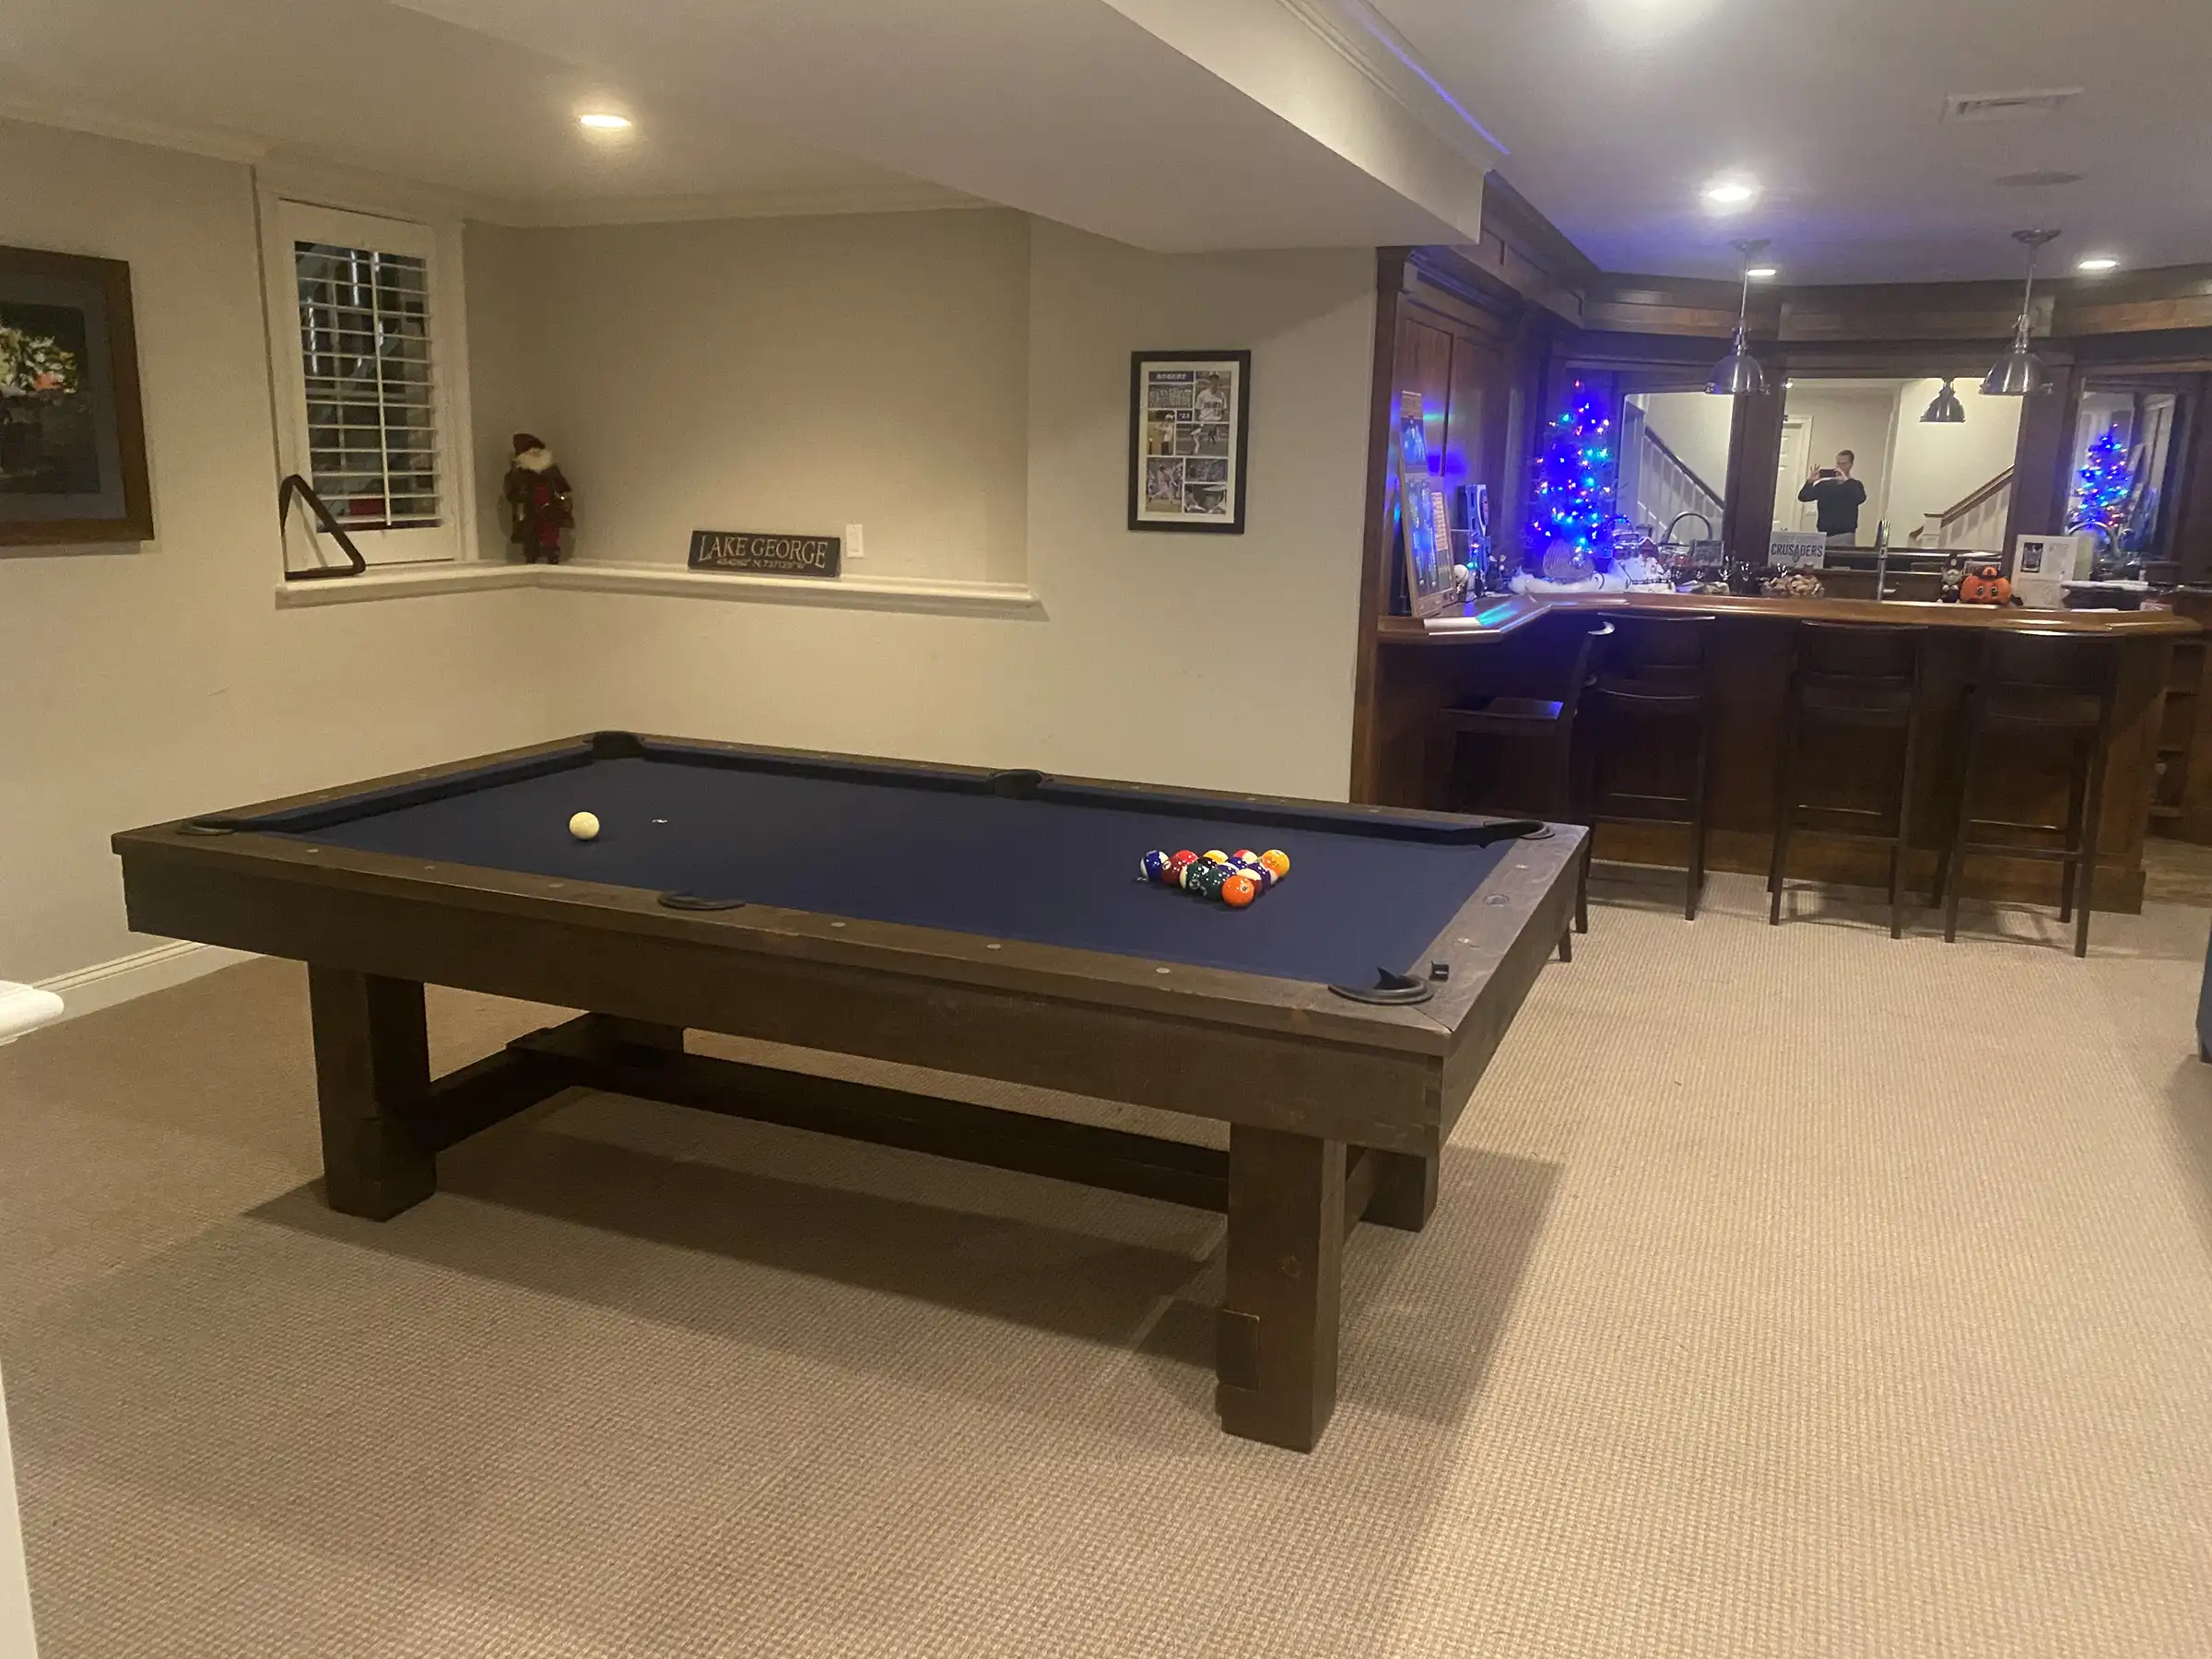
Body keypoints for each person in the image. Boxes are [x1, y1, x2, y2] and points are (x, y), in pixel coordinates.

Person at [1798, 450, 1868, 545]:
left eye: (1844, 464)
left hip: (1845, 535)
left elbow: (1860, 498)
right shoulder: (1825, 485)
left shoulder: (1855, 485)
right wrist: (1810, 481)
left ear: (1851, 465)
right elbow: (1803, 497)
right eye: (1838, 463)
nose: (1840, 467)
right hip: (1823, 535)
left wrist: (1846, 480)